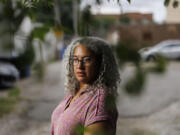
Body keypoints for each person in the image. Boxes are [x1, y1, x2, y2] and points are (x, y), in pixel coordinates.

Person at [51, 37, 120, 135]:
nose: (79, 66)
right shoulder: (74, 92)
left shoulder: (99, 102)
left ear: (101, 64)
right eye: (75, 59)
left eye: (87, 60)